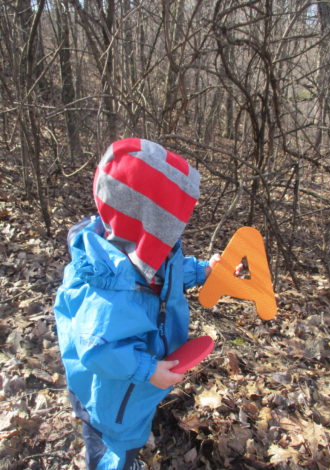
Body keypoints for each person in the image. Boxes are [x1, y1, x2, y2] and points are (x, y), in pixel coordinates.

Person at [54, 138, 220, 470]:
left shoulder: (147, 248)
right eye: (171, 219)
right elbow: (97, 349)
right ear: (149, 219)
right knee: (116, 443)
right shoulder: (110, 290)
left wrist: (204, 271)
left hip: (133, 381)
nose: (178, 227)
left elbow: (169, 272)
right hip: (112, 393)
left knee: (130, 422)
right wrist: (147, 370)